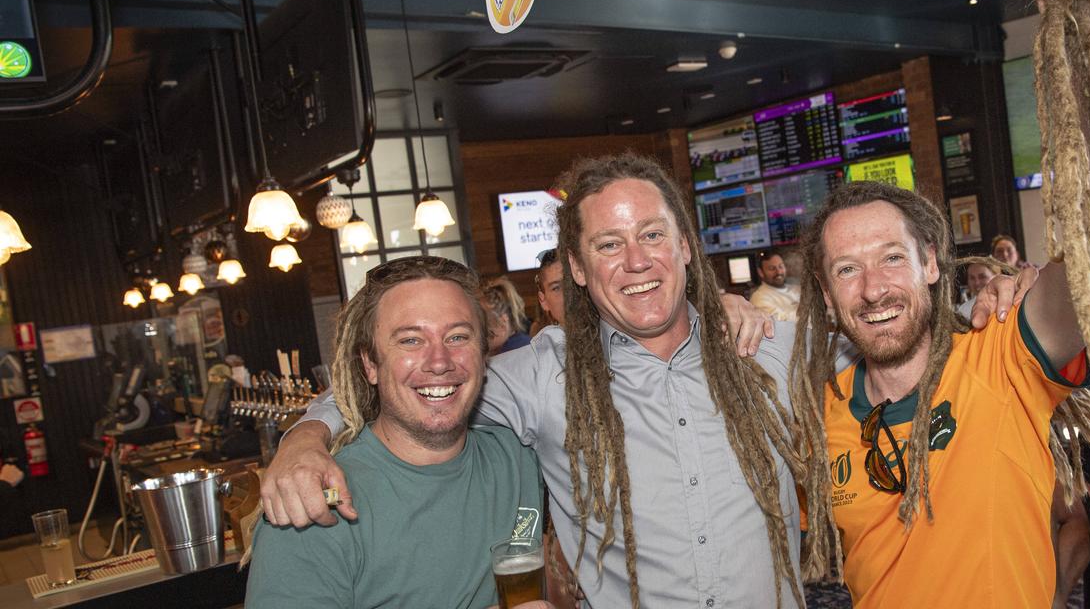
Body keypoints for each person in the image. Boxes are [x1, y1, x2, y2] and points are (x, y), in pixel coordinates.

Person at [261, 156, 1028, 608]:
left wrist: (988, 295)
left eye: (653, 235)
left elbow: (893, 331)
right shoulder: (538, 376)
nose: (636, 261)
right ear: (582, 274)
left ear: (687, 248)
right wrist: (307, 435)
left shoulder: (776, 349)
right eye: (609, 244)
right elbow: (422, 382)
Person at [788, 0, 1090, 607]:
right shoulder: (814, 414)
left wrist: (1088, 35)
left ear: (932, 264)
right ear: (824, 294)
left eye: (891, 259)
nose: (874, 288)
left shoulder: (1005, 357)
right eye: (847, 270)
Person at [246, 256, 551, 609]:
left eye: (457, 337)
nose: (439, 361)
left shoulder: (519, 457)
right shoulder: (313, 502)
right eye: (410, 341)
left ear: (485, 357)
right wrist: (302, 436)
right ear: (370, 364)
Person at [482, 276, 532, 354]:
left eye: (486, 329)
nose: (481, 335)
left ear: (503, 322)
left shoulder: (509, 353)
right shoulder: (526, 342)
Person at [750, 249, 802, 321]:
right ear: (761, 272)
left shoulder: (796, 288)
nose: (779, 272)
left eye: (781, 266)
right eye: (772, 268)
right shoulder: (759, 297)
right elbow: (781, 322)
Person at [534, 248, 565, 328]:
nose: (567, 294)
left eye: (570, 283)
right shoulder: (544, 339)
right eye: (556, 288)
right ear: (543, 300)